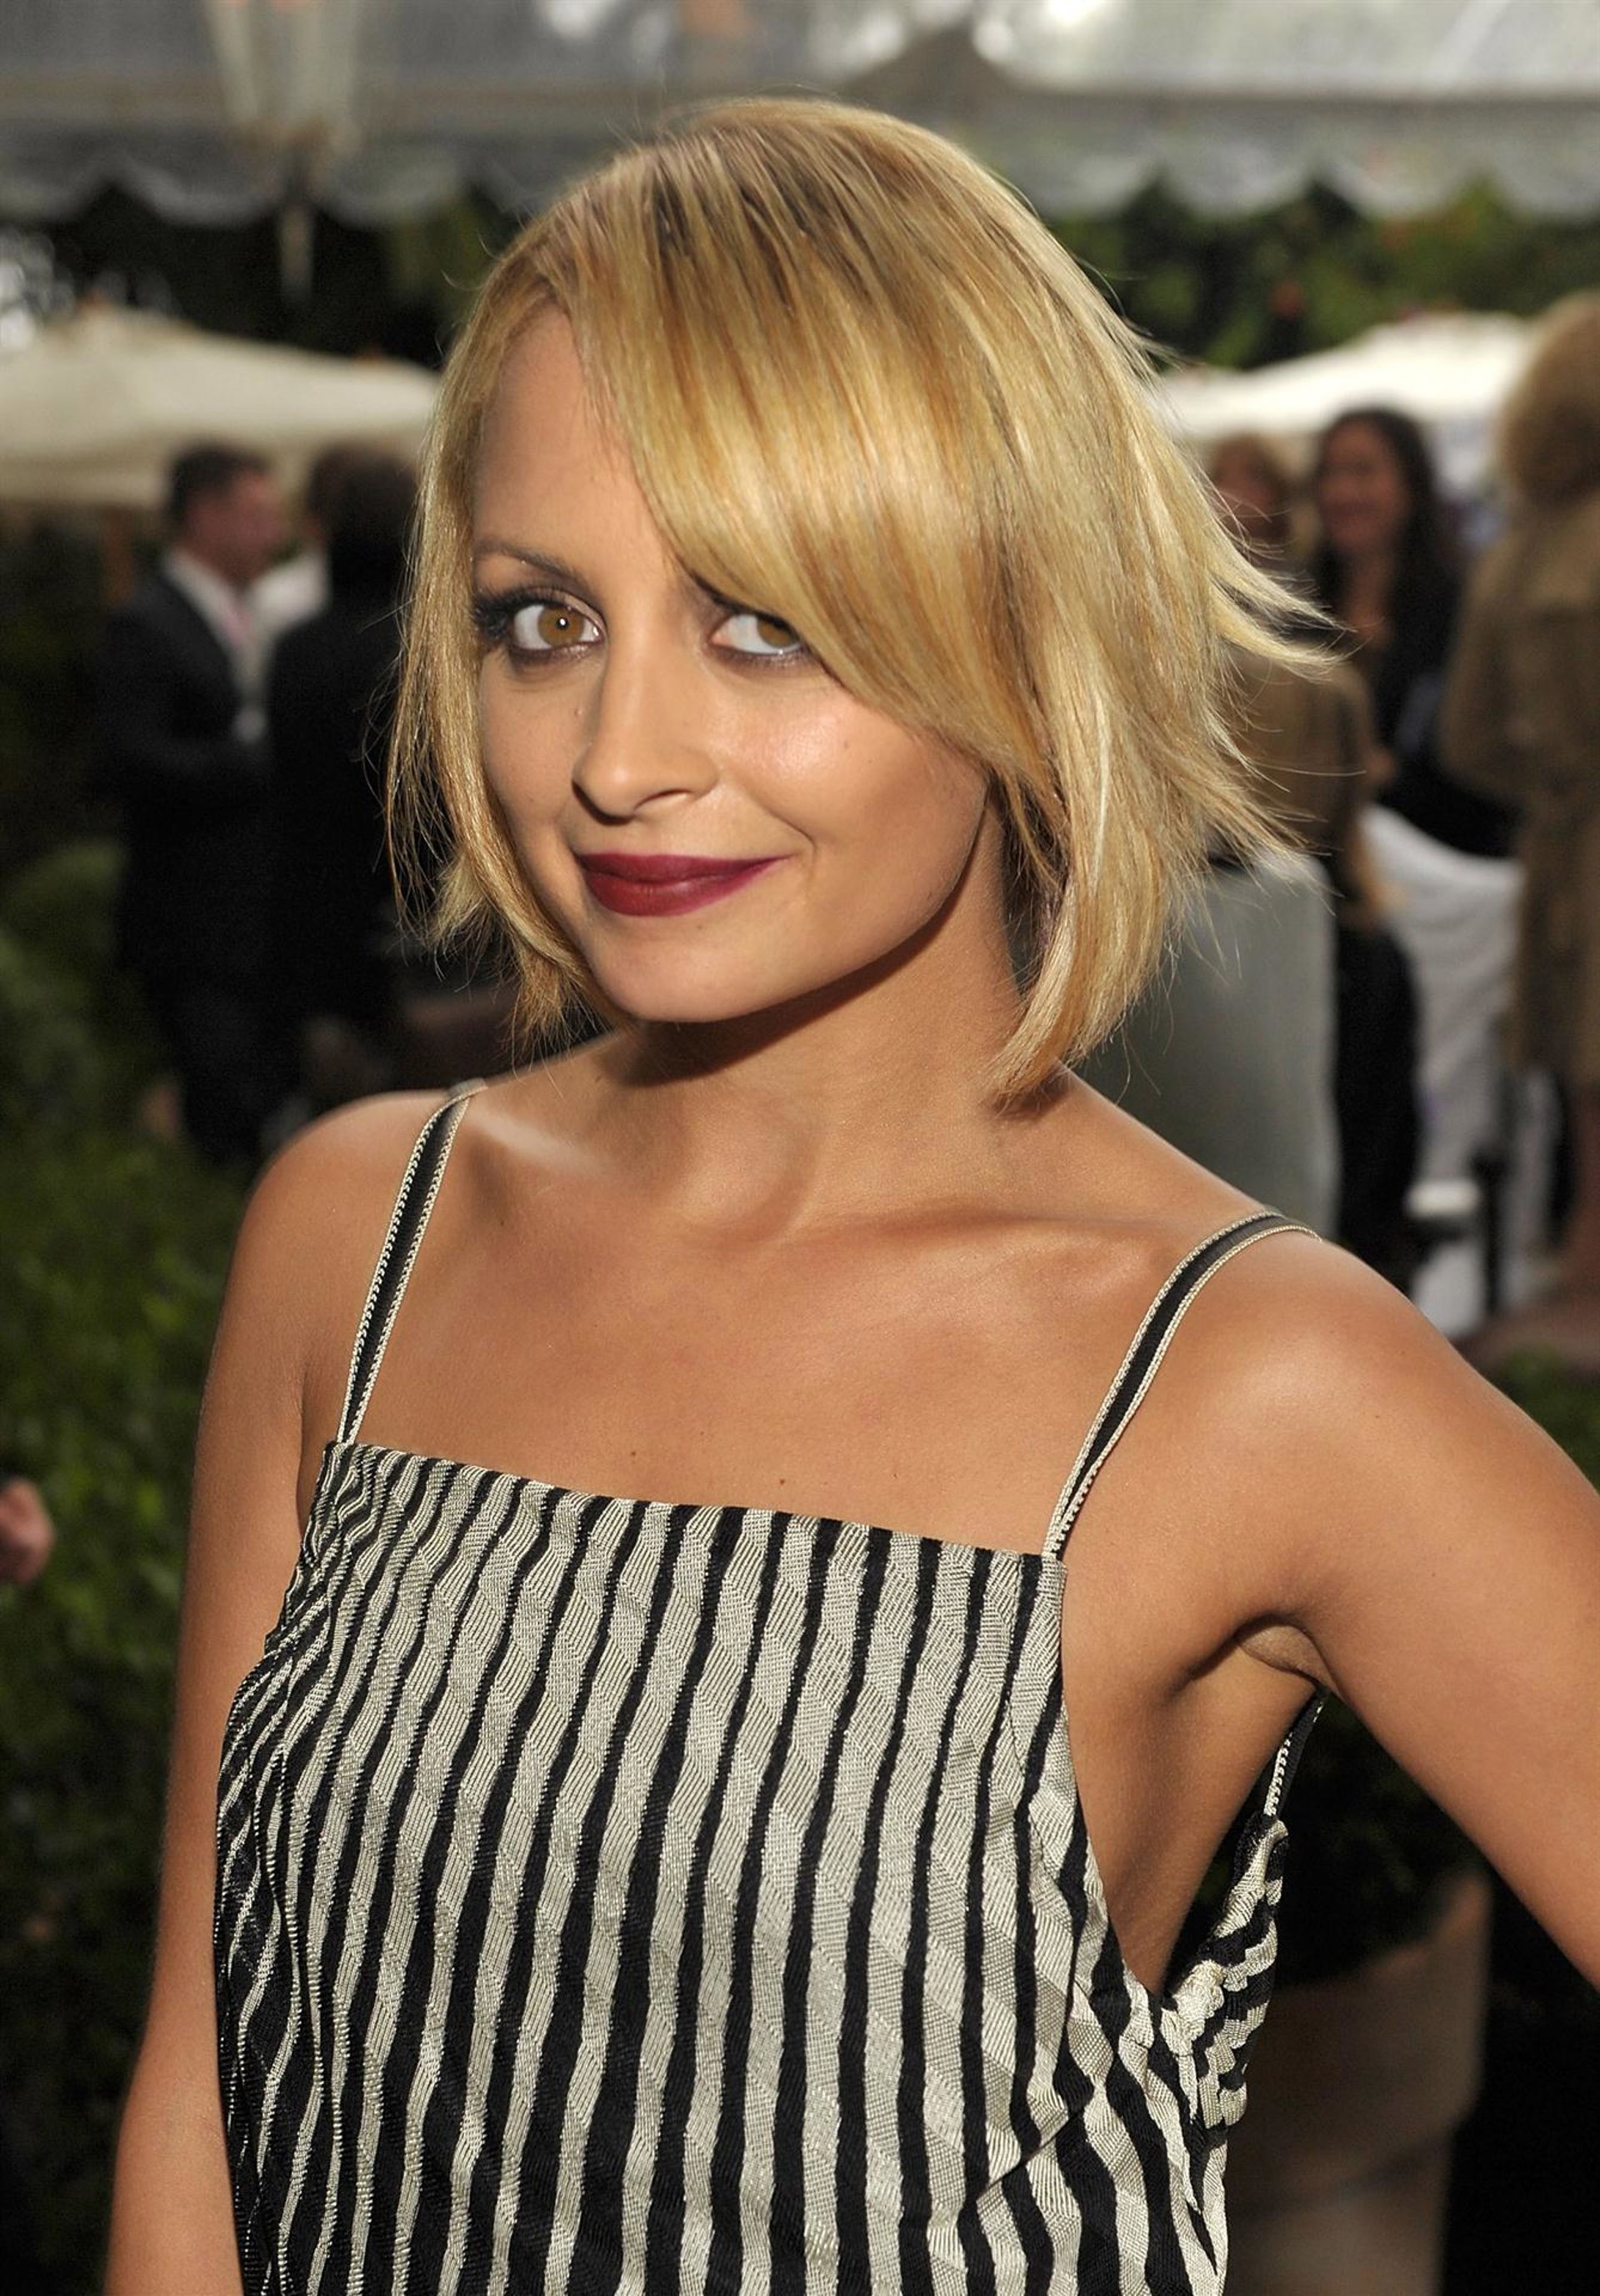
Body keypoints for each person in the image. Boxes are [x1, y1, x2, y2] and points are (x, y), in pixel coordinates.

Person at [107, 103, 1600, 2296]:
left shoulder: (1259, 1380)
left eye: (765, 621)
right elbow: (202, 2093)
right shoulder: (358, 1232)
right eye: (542, 618)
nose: (618, 753)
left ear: (1024, 626)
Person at [1442, 295, 1600, 1293]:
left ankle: (1581, 1289)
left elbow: (1467, 740)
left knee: (1584, 1099)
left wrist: (1556, 797)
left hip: (1565, 859)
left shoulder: (1514, 556)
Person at [96, 443, 286, 1164]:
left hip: (247, 913)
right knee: (221, 1105)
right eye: (256, 515)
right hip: (192, 919)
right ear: (203, 516)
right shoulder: (146, 624)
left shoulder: (242, 611)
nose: (272, 533)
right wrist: (252, 760)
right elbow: (129, 761)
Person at [266, 451, 416, 1110]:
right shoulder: (426, 649)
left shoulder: (297, 650)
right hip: (414, 904)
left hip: (318, 907)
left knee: (345, 1106)